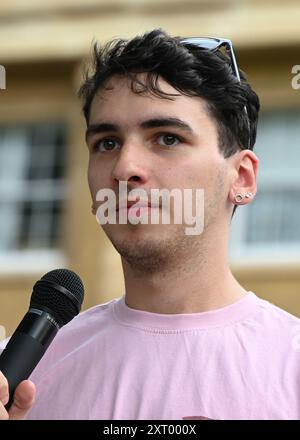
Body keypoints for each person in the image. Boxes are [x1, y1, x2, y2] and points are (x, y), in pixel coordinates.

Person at [1, 28, 300, 420]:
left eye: (167, 138)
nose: (125, 169)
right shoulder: (21, 379)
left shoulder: (290, 364)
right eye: (107, 143)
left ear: (241, 178)